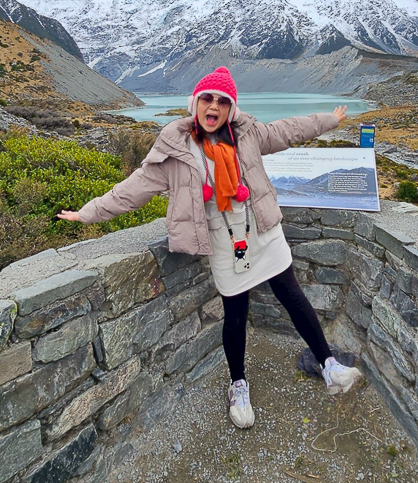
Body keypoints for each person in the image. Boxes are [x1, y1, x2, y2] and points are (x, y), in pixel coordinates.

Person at [57, 67, 362, 430]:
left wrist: (329, 119)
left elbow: (290, 130)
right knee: (234, 314)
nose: (213, 105)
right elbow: (133, 189)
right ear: (195, 103)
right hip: (223, 243)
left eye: (222, 100)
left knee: (294, 297)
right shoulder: (174, 148)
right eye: (207, 98)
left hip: (262, 232)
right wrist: (88, 212)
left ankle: (329, 366)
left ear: (231, 108)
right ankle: (238, 385)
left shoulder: (247, 134)